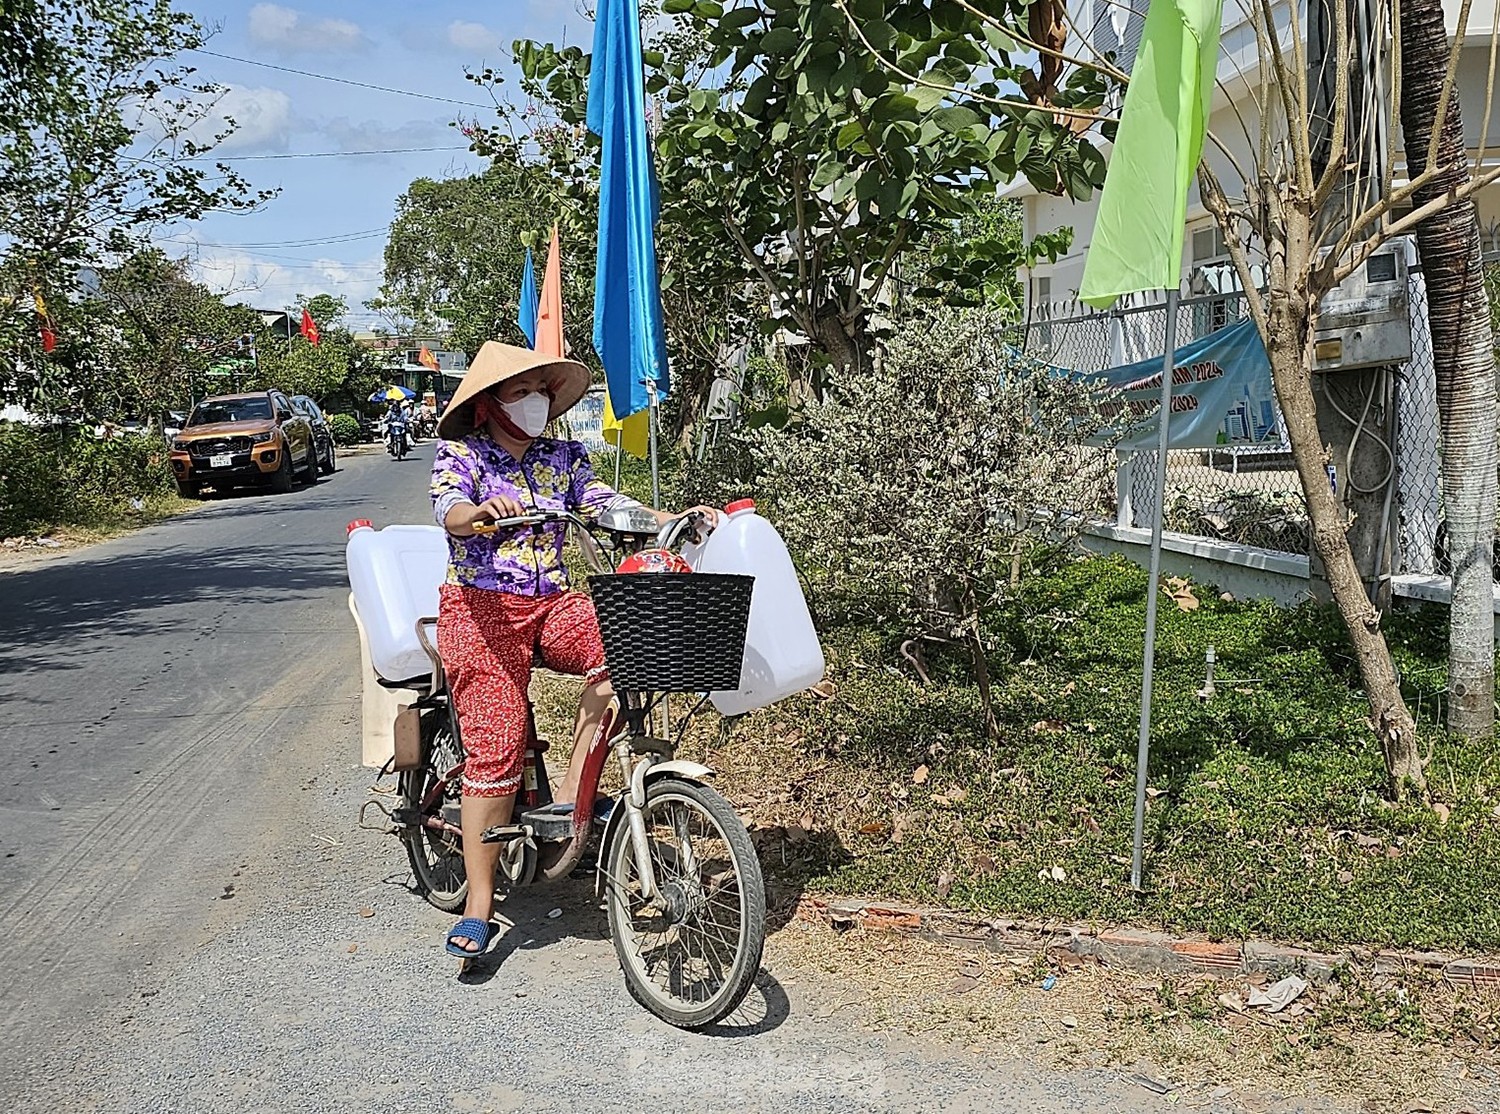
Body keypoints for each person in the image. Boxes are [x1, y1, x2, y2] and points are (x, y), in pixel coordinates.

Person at [429, 340, 716, 958]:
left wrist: (667, 516)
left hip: (555, 603)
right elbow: (449, 509)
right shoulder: (461, 454)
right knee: (498, 745)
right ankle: (481, 902)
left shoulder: (564, 457)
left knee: (627, 654)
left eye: (540, 391)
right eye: (518, 392)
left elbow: (604, 504)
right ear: (488, 406)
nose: (534, 402)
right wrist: (478, 511)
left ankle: (567, 803)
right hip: (480, 612)